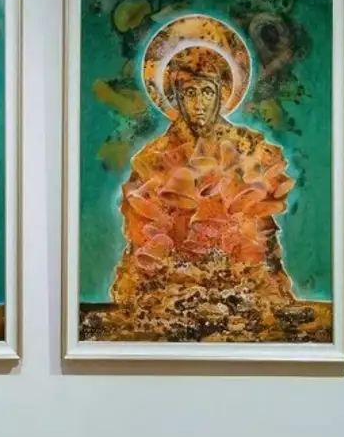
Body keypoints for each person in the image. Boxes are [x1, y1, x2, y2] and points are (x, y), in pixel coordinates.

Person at [105, 44, 299, 337]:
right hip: (173, 280)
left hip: (241, 276)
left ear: (222, 94)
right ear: (176, 98)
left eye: (207, 92)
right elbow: (142, 234)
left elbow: (261, 230)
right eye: (189, 93)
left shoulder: (248, 148)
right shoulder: (154, 157)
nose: (198, 103)